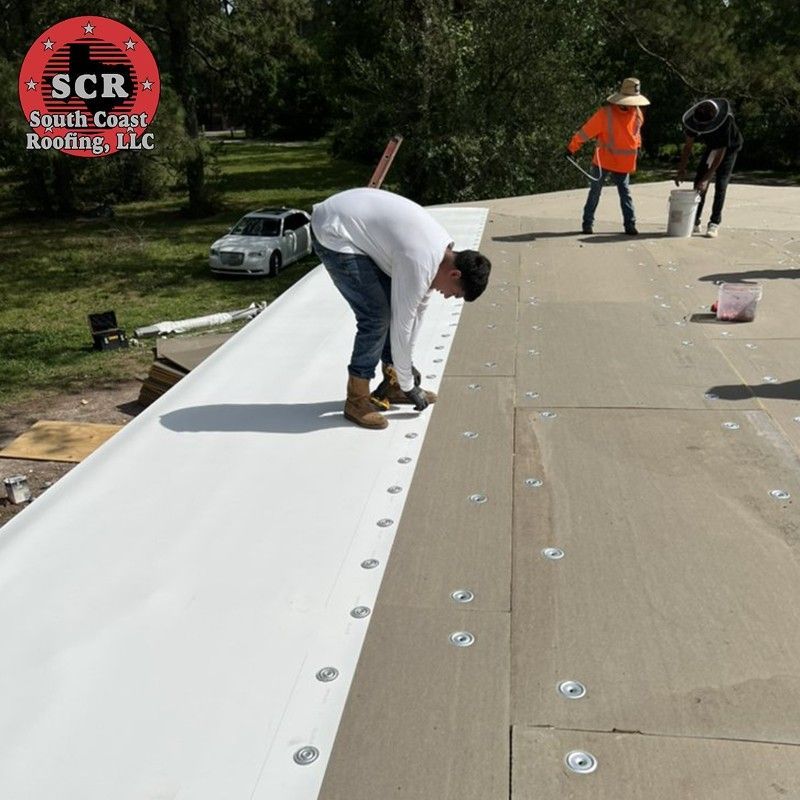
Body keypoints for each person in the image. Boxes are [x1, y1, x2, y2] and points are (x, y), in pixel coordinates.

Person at [310, 188, 492, 430]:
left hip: (350, 222)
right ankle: (356, 400)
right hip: (334, 231)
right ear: (455, 274)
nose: (448, 296)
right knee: (376, 316)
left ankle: (392, 383)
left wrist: (404, 374)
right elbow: (403, 326)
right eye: (455, 293)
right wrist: (409, 385)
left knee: (391, 313)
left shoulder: (440, 256)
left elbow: (415, 316)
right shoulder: (420, 262)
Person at [567, 77, 650, 235]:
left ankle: (630, 224)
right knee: (596, 191)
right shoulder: (606, 114)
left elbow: (636, 136)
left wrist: (637, 148)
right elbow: (587, 131)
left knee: (623, 193)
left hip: (621, 163)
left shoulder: (638, 114)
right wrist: (572, 147)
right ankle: (588, 223)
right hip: (603, 160)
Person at [675, 98, 743, 238]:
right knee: (698, 182)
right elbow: (688, 146)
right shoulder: (693, 119)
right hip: (712, 146)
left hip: (729, 148)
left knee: (721, 184)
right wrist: (681, 168)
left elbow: (721, 152)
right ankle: (695, 221)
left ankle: (714, 223)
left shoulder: (726, 121)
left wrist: (707, 178)